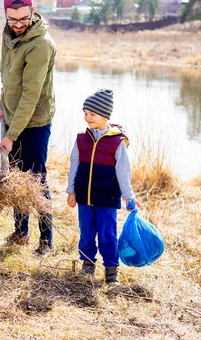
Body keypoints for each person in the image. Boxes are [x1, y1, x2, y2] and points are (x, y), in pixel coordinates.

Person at [0, 0, 56, 258]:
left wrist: (11, 134)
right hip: (14, 118)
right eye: (12, 19)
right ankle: (20, 232)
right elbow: (6, 76)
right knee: (17, 177)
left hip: (36, 121)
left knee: (36, 179)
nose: (18, 25)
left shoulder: (41, 44)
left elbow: (31, 94)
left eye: (23, 18)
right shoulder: (8, 35)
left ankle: (46, 240)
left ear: (32, 11)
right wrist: (1, 107)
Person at [66, 88, 138, 284]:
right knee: (87, 233)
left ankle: (111, 271)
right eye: (85, 113)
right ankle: (87, 265)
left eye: (91, 114)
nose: (87, 117)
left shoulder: (117, 141)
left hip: (107, 198)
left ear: (105, 114)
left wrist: (128, 196)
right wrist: (71, 190)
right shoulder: (82, 138)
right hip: (84, 197)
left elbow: (123, 172)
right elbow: (74, 164)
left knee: (107, 235)